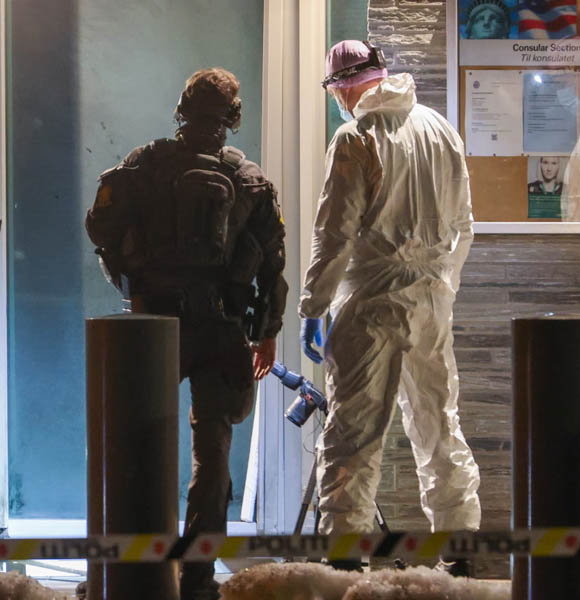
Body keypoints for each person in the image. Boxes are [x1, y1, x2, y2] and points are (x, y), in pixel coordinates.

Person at [86, 68, 287, 600]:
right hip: (221, 330)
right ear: (232, 117)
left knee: (131, 445)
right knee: (213, 450)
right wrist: (266, 334)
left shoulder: (144, 165)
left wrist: (129, 283)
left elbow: (98, 227)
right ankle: (198, 579)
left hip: (152, 327)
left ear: (182, 109)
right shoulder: (250, 180)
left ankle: (121, 572)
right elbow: (274, 267)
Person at [299, 41, 481, 572]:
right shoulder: (439, 128)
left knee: (353, 433)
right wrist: (442, 285)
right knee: (439, 424)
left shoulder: (356, 137)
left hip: (372, 303)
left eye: (336, 91)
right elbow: (465, 225)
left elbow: (334, 233)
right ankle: (461, 552)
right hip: (431, 300)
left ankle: (346, 561)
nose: (338, 101)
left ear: (345, 86)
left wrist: (314, 304)